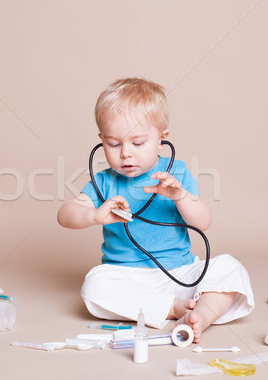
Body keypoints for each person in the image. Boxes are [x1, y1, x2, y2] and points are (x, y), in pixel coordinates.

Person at [57, 78, 254, 342]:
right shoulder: (104, 181)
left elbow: (203, 221)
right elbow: (65, 215)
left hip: (180, 273)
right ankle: (172, 308)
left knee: (230, 267)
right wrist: (93, 215)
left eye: (137, 143)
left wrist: (181, 196)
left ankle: (201, 315)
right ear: (101, 140)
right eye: (114, 144)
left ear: (162, 139)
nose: (126, 153)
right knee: (94, 285)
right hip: (125, 276)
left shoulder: (176, 172)